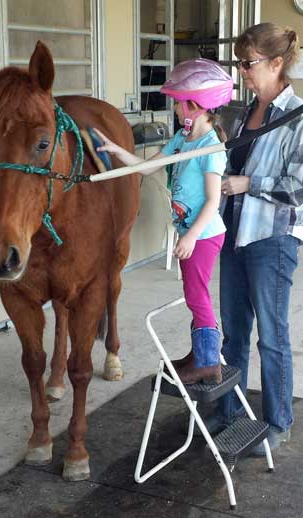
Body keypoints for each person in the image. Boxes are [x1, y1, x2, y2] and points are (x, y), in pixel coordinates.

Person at [95, 58, 233, 385]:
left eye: (177, 103)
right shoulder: (182, 140)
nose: (173, 108)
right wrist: (117, 149)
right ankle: (199, 353)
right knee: (193, 292)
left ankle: (208, 361)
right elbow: (145, 168)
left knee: (197, 294)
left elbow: (214, 200)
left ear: (196, 106)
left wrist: (189, 237)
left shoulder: (210, 147)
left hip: (204, 234)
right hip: (191, 233)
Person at [207, 23, 303, 455]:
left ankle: (278, 421)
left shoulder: (298, 114)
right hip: (234, 232)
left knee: (272, 335)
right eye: (240, 63)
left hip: (272, 238)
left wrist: (249, 182)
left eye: (248, 63)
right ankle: (230, 414)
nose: (242, 71)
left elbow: (299, 186)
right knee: (234, 333)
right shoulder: (244, 113)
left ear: (276, 63)